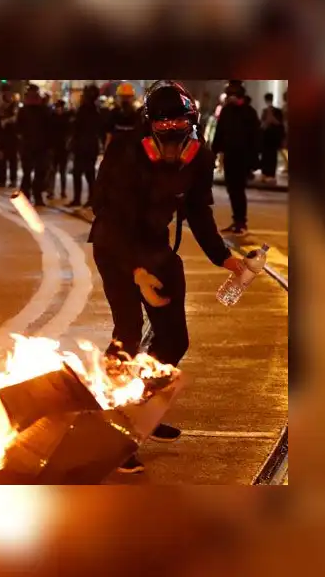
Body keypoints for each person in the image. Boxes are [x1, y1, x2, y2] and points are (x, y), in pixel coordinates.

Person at [87, 80, 244, 474]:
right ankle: (112, 428)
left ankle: (143, 407)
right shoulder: (124, 153)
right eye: (164, 127)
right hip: (115, 247)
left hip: (157, 249)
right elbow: (110, 216)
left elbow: (199, 211)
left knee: (175, 339)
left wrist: (225, 258)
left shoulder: (199, 157)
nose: (174, 136)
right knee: (128, 330)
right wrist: (137, 272)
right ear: (149, 126)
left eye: (181, 126)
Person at [211, 80, 261, 235]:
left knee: (238, 190)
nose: (230, 98)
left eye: (232, 95)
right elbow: (220, 133)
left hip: (243, 157)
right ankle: (236, 220)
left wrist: (254, 160)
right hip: (230, 156)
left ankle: (241, 222)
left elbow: (256, 137)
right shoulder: (227, 111)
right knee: (231, 189)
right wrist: (213, 152)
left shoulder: (249, 112)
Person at [16, 83, 51, 206]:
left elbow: (49, 129)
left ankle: (34, 195)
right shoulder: (25, 111)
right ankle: (28, 195)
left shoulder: (43, 110)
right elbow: (19, 129)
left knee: (38, 172)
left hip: (38, 146)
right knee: (29, 172)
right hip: (30, 146)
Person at [70, 84, 103, 207]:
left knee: (79, 173)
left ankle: (79, 198)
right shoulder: (96, 111)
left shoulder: (84, 110)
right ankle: (89, 198)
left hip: (83, 146)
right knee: (89, 174)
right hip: (90, 146)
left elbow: (76, 128)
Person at [104, 82, 141, 151]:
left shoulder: (138, 114)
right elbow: (108, 136)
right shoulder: (138, 114)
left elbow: (108, 137)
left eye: (127, 97)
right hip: (124, 150)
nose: (125, 100)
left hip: (125, 150)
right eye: (124, 97)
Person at [0, 83, 19, 188]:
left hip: (12, 135)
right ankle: (2, 179)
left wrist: (5, 121)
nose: (6, 94)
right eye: (4, 91)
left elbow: (15, 117)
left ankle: (13, 179)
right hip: (1, 135)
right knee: (1, 158)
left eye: (7, 91)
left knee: (12, 159)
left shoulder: (14, 104)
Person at [259, 92, 285, 183]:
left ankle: (271, 174)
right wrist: (266, 122)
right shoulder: (264, 111)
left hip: (273, 137)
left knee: (272, 156)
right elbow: (262, 125)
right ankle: (265, 173)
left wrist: (272, 119)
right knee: (265, 156)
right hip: (266, 137)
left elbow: (280, 124)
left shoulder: (277, 111)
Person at [49, 100, 71, 199]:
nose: (58, 109)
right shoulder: (53, 117)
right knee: (52, 170)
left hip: (62, 148)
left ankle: (62, 191)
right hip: (54, 147)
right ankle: (51, 191)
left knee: (62, 171)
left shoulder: (66, 118)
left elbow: (70, 133)